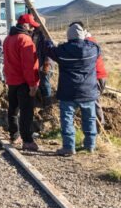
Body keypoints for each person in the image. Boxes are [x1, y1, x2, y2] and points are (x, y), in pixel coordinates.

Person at [43, 23, 101, 156]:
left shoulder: (62, 50)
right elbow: (97, 48)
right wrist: (87, 38)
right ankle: (90, 145)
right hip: (88, 91)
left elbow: (49, 51)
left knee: (67, 119)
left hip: (68, 92)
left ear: (68, 36)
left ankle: (69, 147)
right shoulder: (93, 49)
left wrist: (49, 42)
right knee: (89, 119)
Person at [3, 13, 40, 151]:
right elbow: (28, 65)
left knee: (13, 109)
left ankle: (14, 135)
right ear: (25, 25)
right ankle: (28, 141)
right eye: (31, 26)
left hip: (11, 80)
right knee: (26, 112)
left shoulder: (8, 39)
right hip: (23, 81)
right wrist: (32, 84)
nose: (32, 28)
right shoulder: (25, 39)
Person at [33, 27, 53, 104]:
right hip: (37, 63)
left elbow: (49, 50)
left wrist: (46, 64)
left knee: (45, 83)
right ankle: (41, 100)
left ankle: (48, 102)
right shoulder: (34, 34)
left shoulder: (44, 36)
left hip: (44, 63)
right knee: (40, 82)